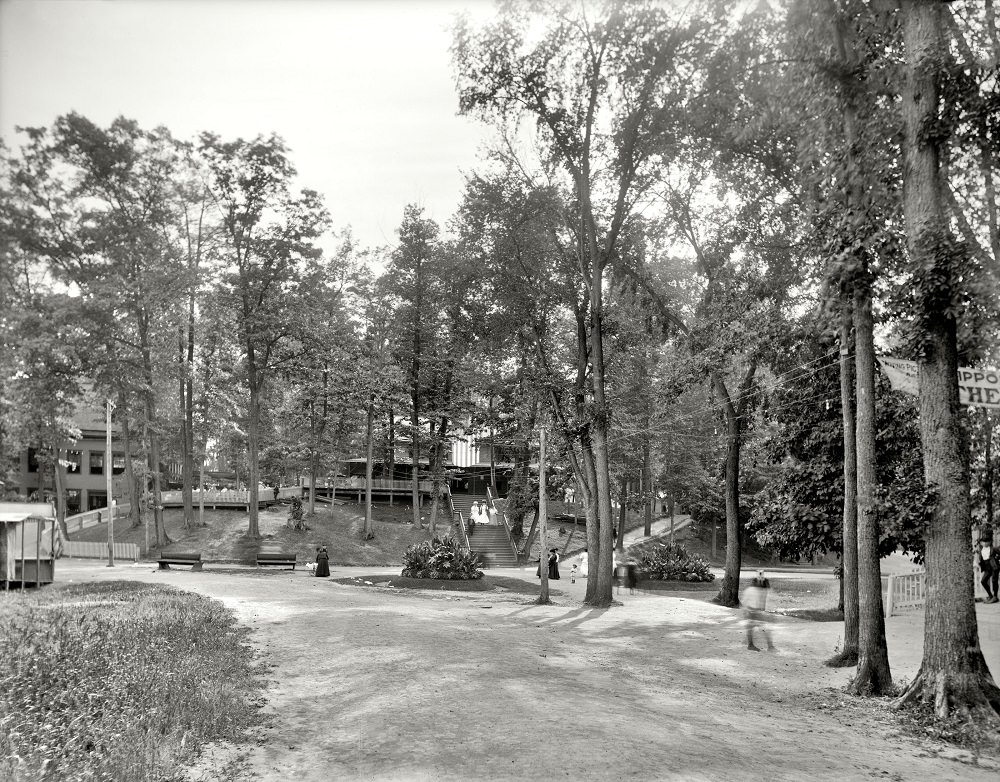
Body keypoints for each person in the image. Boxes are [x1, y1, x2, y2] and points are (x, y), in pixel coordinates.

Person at [742, 570, 774, 651]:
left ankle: (750, 644)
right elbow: (747, 601)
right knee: (763, 628)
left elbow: (746, 601)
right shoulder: (754, 590)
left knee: (752, 628)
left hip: (753, 611)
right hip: (753, 611)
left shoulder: (753, 589)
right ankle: (769, 647)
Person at [978, 537, 999, 604]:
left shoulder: (994, 549)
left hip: (994, 566)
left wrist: (997, 559)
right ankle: (990, 595)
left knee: (994, 580)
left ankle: (995, 597)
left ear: (989, 542)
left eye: (985, 542)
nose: (984, 543)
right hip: (987, 568)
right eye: (982, 542)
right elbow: (981, 558)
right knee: (983, 581)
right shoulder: (981, 549)